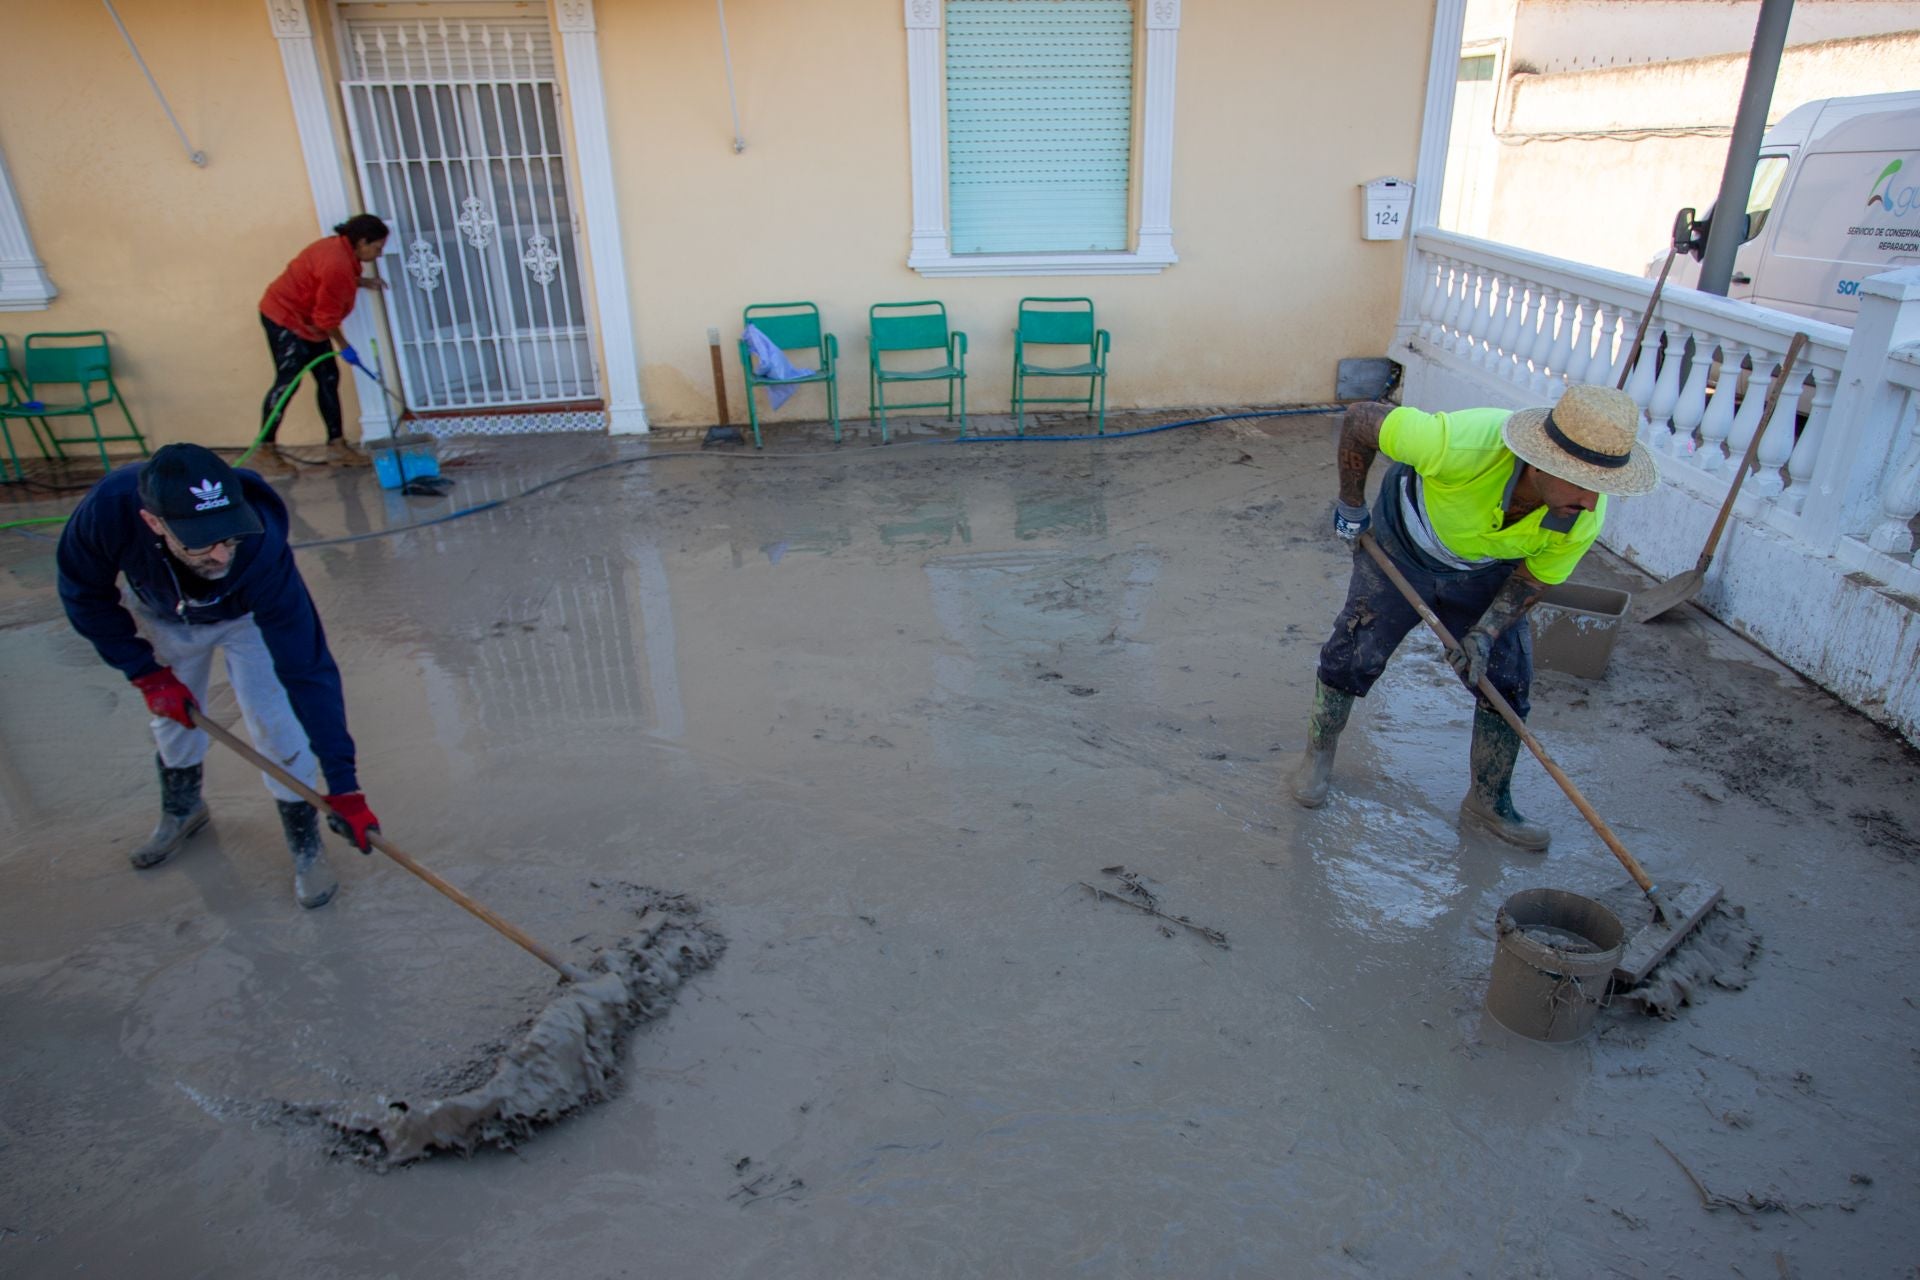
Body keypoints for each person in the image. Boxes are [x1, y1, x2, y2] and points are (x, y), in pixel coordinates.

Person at [1290, 383, 1659, 849]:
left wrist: (1484, 634)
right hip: (1403, 544)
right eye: (1583, 484)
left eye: (1602, 488)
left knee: (1507, 679)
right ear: (1542, 463)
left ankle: (1489, 800)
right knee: (1355, 652)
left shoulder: (1581, 514)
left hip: (1486, 566)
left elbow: (1533, 579)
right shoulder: (1459, 444)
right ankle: (1317, 758)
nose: (1591, 502)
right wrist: (1350, 503)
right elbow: (1362, 418)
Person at [56, 443, 381, 908]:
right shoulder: (107, 512)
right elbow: (83, 596)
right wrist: (144, 673)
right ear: (153, 522)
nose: (220, 553)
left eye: (228, 536)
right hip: (165, 614)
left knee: (276, 721)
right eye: (200, 541)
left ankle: (305, 846)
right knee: (173, 720)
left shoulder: (262, 549)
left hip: (246, 618)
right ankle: (184, 809)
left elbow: (307, 669)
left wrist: (344, 785)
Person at [256, 213, 390, 473]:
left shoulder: (339, 252)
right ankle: (264, 450)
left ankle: (337, 446)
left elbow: (323, 284)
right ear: (362, 241)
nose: (379, 254)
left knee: (328, 377)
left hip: (308, 321)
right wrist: (344, 346)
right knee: (288, 381)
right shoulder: (336, 262)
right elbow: (326, 317)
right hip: (283, 317)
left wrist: (360, 282)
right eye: (377, 247)